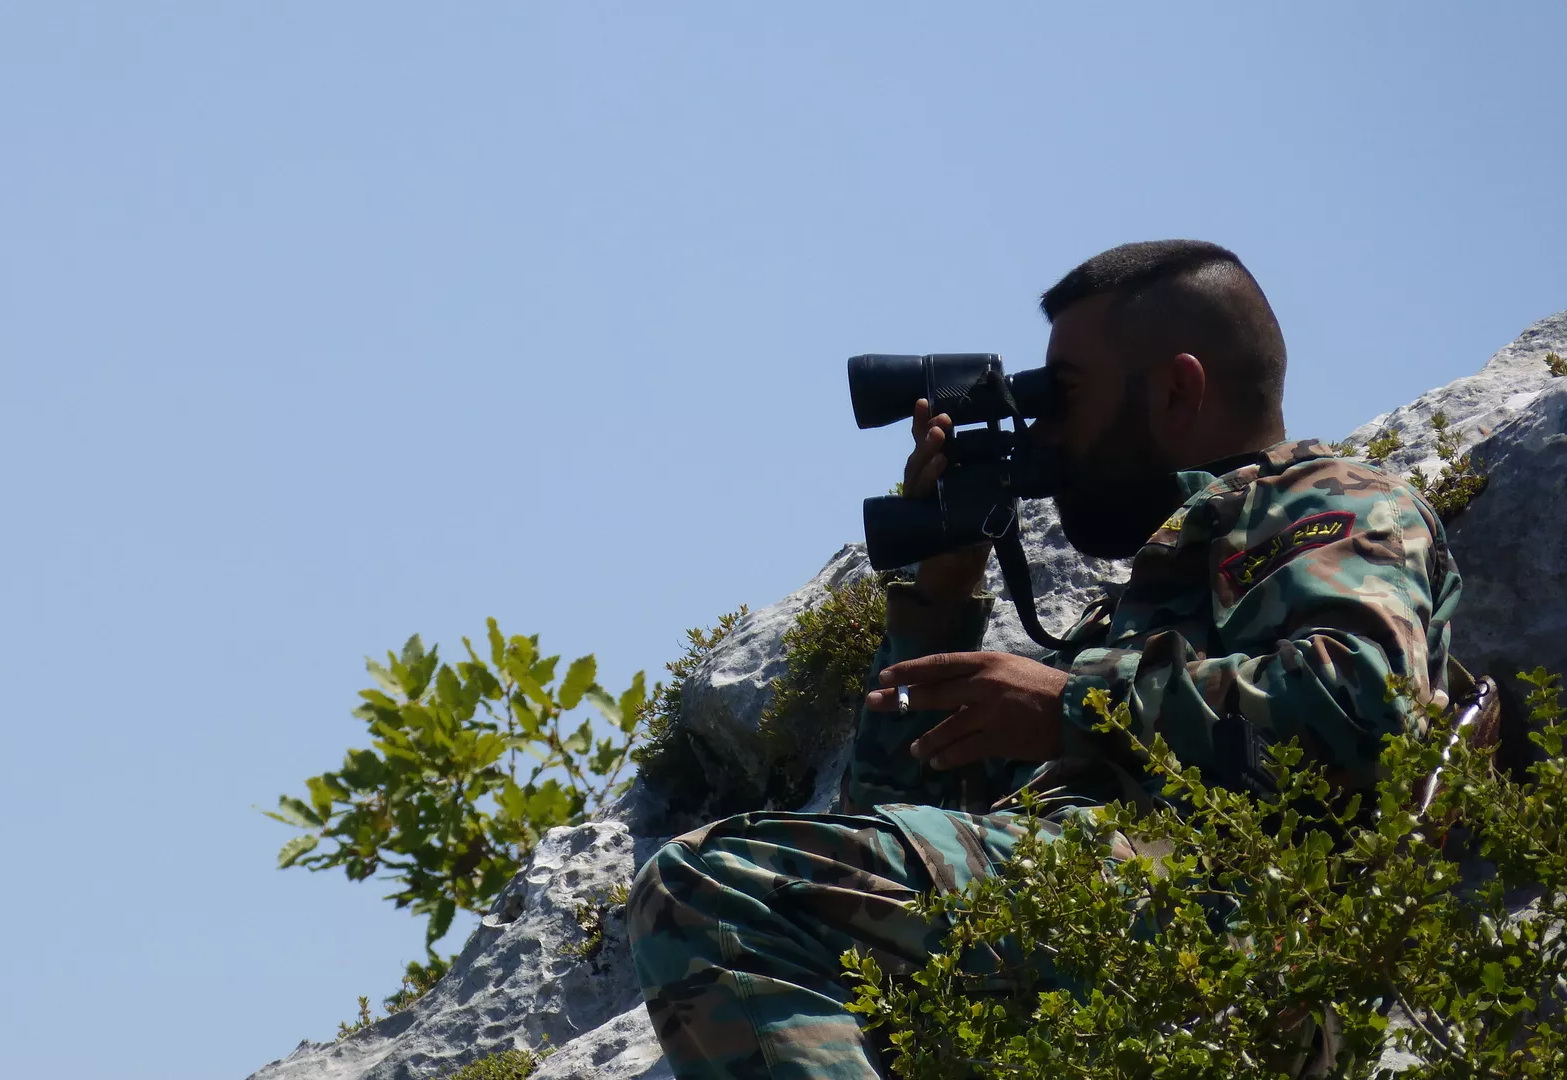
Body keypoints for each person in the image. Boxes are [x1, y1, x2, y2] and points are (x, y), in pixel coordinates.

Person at [626, 240, 1463, 1079]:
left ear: (1180, 389)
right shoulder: (1140, 603)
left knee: (719, 885)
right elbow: (878, 835)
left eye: (1063, 397)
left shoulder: (1330, 505)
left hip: (1225, 924)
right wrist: (940, 601)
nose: (1047, 432)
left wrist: (1075, 701)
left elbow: (1367, 712)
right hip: (1100, 919)